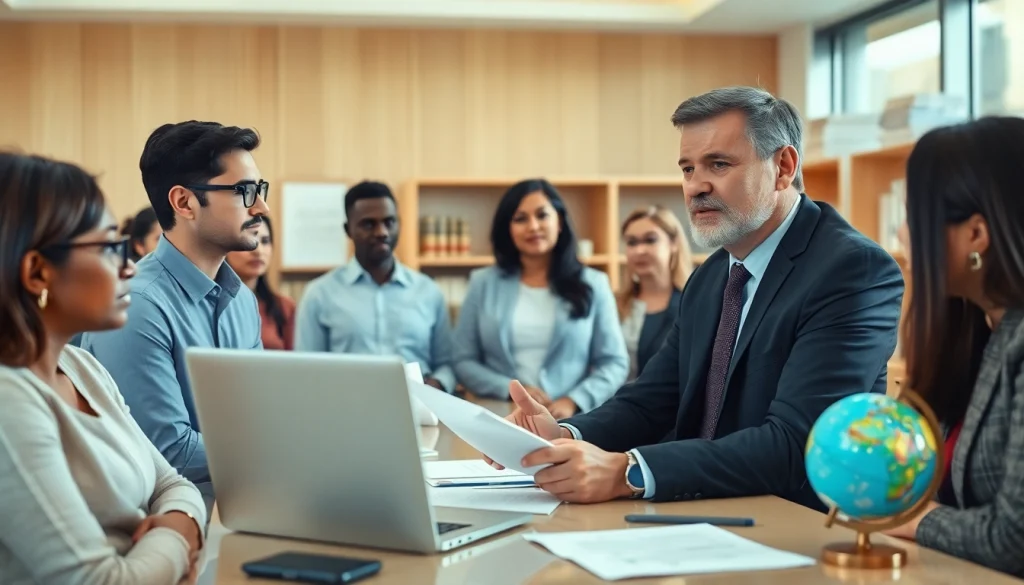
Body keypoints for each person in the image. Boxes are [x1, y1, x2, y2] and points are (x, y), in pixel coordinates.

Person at [486, 86, 904, 510]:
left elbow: (796, 443)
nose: (695, 186)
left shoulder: (853, 271)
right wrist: (563, 435)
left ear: (783, 166)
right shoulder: (712, 276)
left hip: (790, 523)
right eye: (687, 169)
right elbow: (652, 401)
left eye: (718, 165)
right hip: (699, 510)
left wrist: (626, 471)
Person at [0, 152, 206, 584]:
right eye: (110, 247)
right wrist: (180, 535)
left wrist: (180, 516)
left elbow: (174, 483)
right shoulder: (9, 398)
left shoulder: (81, 366)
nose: (129, 266)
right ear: (37, 272)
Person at [81, 121, 268, 504]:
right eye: (244, 192)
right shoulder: (137, 304)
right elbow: (170, 451)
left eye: (259, 190)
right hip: (166, 523)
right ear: (184, 203)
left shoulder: (242, 300)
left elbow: (258, 418)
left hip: (248, 506)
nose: (261, 207)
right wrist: (285, 452)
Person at [880, 117, 1024, 579]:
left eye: (913, 216)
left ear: (976, 236)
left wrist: (914, 521)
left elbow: (1013, 539)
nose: (902, 236)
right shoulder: (977, 329)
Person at [453, 179, 628, 418]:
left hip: (571, 419)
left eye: (542, 215)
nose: (533, 226)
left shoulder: (593, 283)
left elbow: (614, 362)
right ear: (508, 228)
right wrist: (510, 390)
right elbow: (463, 360)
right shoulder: (482, 283)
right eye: (520, 218)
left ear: (559, 222)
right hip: (501, 415)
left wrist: (574, 400)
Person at [294, 181, 455, 391]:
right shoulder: (320, 294)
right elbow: (307, 370)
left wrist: (437, 383)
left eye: (389, 222)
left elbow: (447, 365)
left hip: (418, 411)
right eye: (368, 224)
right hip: (347, 411)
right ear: (348, 230)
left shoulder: (428, 292)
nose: (382, 232)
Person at [618, 205, 691, 380]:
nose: (639, 250)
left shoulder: (690, 303)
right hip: (611, 402)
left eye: (650, 240)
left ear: (673, 243)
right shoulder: (613, 303)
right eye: (631, 242)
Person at [226, 216, 295, 350]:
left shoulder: (285, 308)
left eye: (265, 241)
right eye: (247, 240)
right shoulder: (210, 303)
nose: (258, 251)